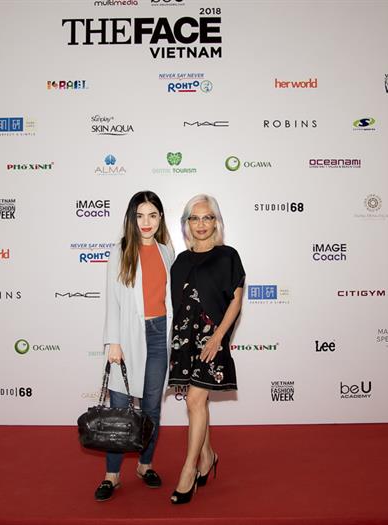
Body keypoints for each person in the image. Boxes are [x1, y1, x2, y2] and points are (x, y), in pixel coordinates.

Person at [95, 191, 174, 502]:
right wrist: (113, 342)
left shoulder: (167, 252)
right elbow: (112, 302)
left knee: (152, 408)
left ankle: (145, 465)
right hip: (128, 336)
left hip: (159, 334)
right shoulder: (121, 251)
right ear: (131, 218)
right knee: (119, 408)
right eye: (140, 216)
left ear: (160, 218)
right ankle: (112, 475)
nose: (146, 222)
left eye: (152, 215)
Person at [167, 194, 245, 504]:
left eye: (207, 217)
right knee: (197, 404)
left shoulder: (228, 256)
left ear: (216, 222)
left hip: (212, 339)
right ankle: (208, 455)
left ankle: (189, 470)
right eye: (195, 218)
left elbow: (236, 301)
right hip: (184, 339)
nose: (201, 224)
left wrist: (218, 338)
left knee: (195, 400)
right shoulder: (180, 261)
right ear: (187, 223)